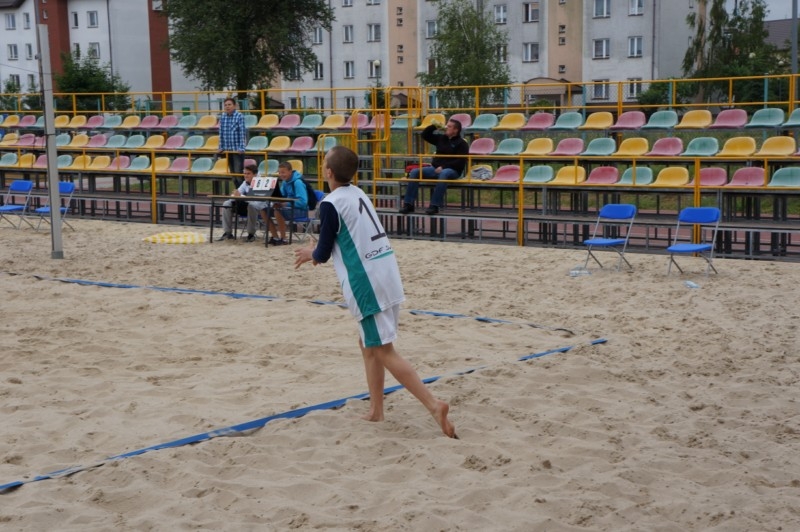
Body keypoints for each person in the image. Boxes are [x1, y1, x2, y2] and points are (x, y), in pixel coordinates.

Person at [295, 146, 457, 439]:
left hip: (366, 281)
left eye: (324, 161)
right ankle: (376, 410)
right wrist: (318, 251)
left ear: (328, 172)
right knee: (368, 344)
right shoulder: (358, 193)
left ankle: (434, 405)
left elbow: (323, 252)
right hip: (386, 272)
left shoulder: (330, 203)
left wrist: (311, 253)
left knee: (383, 349)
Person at [399, 118, 469, 215]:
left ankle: (434, 206)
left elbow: (460, 162)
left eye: (449, 126)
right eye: (446, 125)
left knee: (444, 173)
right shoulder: (441, 138)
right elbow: (425, 135)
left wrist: (443, 167)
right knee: (415, 172)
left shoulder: (462, 144)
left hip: (452, 170)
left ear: (455, 130)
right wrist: (434, 126)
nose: (446, 127)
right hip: (435, 168)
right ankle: (408, 204)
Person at [258, 161, 308, 246]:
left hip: (300, 210)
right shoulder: (285, 182)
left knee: (277, 210)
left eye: (283, 172)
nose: (281, 175)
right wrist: (277, 201)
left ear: (290, 171)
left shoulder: (298, 183)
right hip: (288, 208)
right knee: (264, 211)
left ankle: (284, 239)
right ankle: (275, 237)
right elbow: (281, 196)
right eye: (280, 172)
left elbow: (303, 202)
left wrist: (286, 204)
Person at [217, 163, 260, 242]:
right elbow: (238, 193)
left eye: (248, 174)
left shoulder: (259, 183)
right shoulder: (245, 183)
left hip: (257, 208)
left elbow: (254, 199)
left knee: (252, 205)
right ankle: (228, 233)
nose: (246, 175)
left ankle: (251, 234)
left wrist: (240, 196)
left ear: (255, 175)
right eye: (245, 173)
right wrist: (234, 195)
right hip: (244, 206)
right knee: (227, 204)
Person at [218, 97, 246, 186]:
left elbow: (242, 132)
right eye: (225, 105)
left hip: (237, 150)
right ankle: (237, 192)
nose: (227, 107)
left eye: (229, 104)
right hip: (228, 150)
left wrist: (241, 148)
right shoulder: (222, 117)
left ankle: (242, 192)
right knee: (233, 175)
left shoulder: (239, 116)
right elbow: (221, 133)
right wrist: (221, 147)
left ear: (234, 106)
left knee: (238, 173)